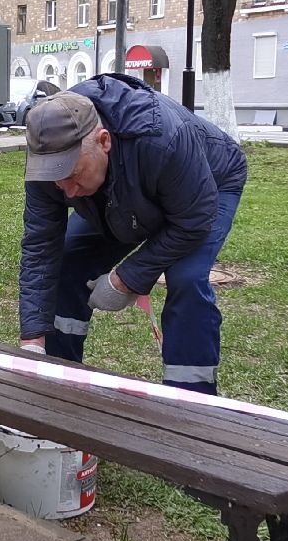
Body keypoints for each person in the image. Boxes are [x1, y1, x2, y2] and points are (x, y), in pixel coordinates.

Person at [19, 73, 247, 395]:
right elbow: (41, 247)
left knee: (187, 278)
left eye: (72, 175)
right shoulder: (47, 160)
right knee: (67, 257)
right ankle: (57, 379)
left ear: (103, 141)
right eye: (57, 180)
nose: (67, 191)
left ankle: (191, 402)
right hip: (124, 189)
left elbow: (193, 220)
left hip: (207, 183)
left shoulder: (161, 138)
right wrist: (32, 340)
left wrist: (125, 279)